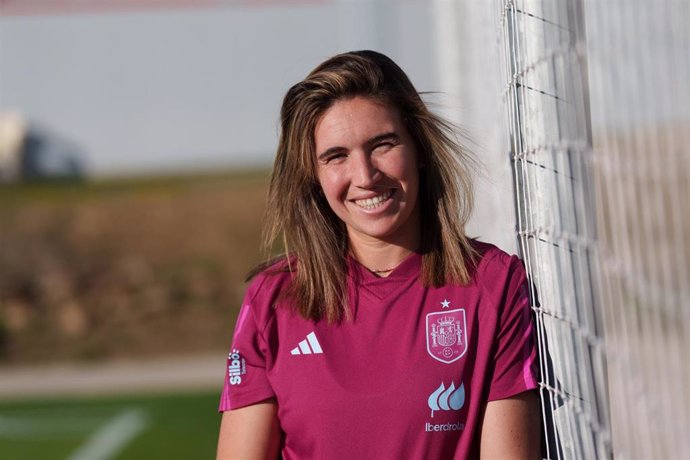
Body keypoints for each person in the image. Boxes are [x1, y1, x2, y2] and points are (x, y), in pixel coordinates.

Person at [216, 50, 540, 459]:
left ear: (419, 148)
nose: (365, 177)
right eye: (336, 156)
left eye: (383, 145)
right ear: (313, 176)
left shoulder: (493, 283)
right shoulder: (273, 299)